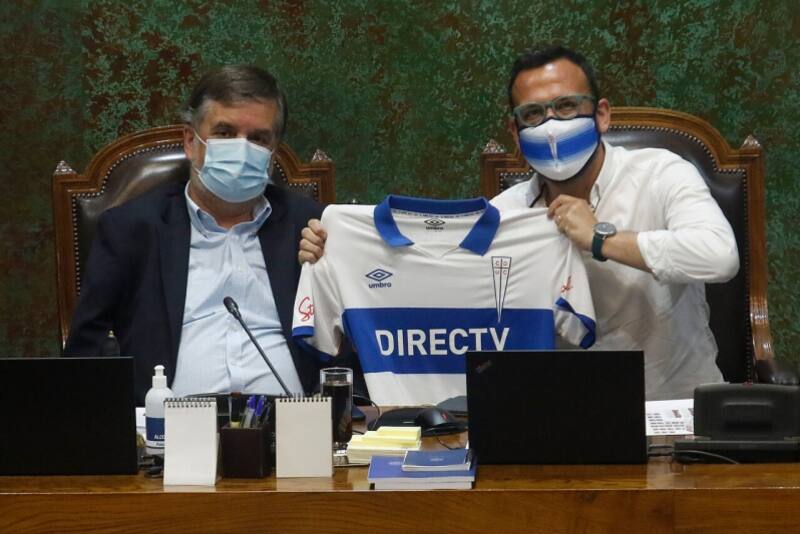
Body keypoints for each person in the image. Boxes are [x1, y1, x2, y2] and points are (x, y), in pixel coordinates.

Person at [300, 45, 740, 401]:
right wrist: (337, 260)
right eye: (533, 115)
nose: (551, 126)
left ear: (602, 114)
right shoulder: (506, 217)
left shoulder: (661, 173)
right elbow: (446, 300)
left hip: (673, 406)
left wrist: (600, 238)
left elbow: (719, 257)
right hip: (562, 416)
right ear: (515, 133)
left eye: (566, 106)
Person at [65, 65, 324, 404]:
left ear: (273, 153)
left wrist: (328, 270)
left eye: (258, 139)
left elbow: (352, 341)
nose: (241, 150)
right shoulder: (133, 229)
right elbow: (85, 351)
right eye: (224, 133)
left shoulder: (311, 228)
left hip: (295, 421)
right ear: (191, 141)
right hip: (170, 425)